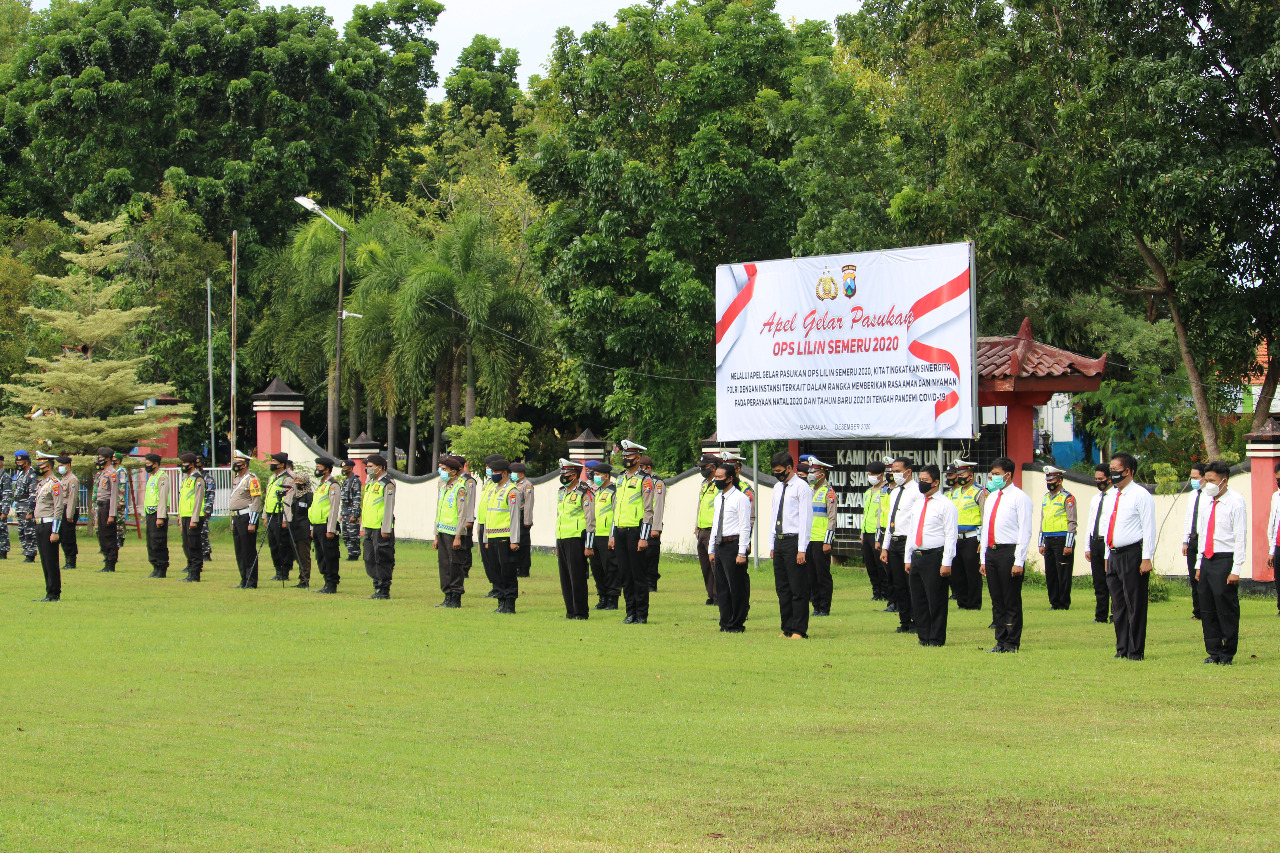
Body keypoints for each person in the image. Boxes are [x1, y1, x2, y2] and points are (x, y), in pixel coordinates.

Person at [1102, 452, 1157, 661]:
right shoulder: (1111, 495)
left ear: (1129, 471)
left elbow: (1149, 527)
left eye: (1116, 469)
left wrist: (1146, 557)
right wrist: (1108, 555)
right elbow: (1109, 526)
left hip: (1133, 554)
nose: (1113, 473)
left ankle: (1136, 650)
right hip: (1114, 554)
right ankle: (1121, 647)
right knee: (1117, 605)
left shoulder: (1140, 495)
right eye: (1111, 469)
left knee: (1135, 604)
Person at [979, 457, 1033, 653]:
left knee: (1010, 599)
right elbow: (986, 528)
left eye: (996, 474)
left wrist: (1019, 560)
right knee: (997, 600)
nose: (992, 477)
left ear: (1008, 475)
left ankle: (1012, 642)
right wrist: (983, 558)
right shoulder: (993, 497)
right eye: (991, 474)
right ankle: (1000, 640)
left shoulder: (1020, 498)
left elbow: (1024, 531)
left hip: (1009, 552)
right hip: (992, 551)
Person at [1194, 460, 1245, 665]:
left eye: (1211, 480)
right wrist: (1199, 564)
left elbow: (1240, 537)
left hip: (1225, 559)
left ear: (1223, 481)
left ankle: (1227, 652)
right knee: (1207, 607)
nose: (1207, 484)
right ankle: (1213, 651)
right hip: (1207, 559)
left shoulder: (1236, 501)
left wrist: (1236, 569)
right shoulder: (1206, 501)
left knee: (1226, 607)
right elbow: (1203, 532)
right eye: (1206, 480)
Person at [904, 464, 958, 646]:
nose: (922, 484)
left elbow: (950, 534)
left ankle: (936, 638)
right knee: (918, 599)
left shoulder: (946, 505)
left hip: (935, 556)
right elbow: (911, 531)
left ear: (935, 482)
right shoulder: (918, 504)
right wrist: (908, 557)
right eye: (920, 480)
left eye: (925, 481)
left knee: (936, 599)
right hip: (917, 555)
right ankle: (923, 636)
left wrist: (947, 562)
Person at [768, 451, 813, 639]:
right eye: (774, 472)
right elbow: (774, 515)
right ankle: (786, 627)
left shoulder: (801, 487)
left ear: (789, 468)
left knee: (798, 588)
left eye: (780, 471)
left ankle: (798, 629)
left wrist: (802, 548)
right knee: (783, 588)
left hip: (794, 540)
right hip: (779, 539)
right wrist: (772, 543)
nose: (778, 474)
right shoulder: (778, 488)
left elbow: (805, 519)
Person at [610, 440, 656, 624]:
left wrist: (643, 537)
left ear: (638, 458)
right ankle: (630, 612)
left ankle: (641, 614)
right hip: (620, 530)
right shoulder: (620, 479)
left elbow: (648, 511)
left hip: (635, 531)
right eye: (624, 456)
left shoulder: (645, 480)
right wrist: (612, 534)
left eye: (629, 456)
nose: (626, 459)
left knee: (638, 574)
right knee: (624, 574)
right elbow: (615, 508)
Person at [879, 456, 922, 634]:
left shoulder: (917, 490)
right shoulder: (895, 491)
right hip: (895, 540)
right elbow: (891, 520)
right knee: (898, 584)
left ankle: (916, 620)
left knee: (911, 583)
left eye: (897, 471)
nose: (894, 474)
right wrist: (885, 546)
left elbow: (917, 521)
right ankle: (904, 620)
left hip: (908, 542)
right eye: (893, 471)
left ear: (908, 471)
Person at [708, 462, 753, 632]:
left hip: (733, 545)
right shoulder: (718, 497)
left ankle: (737, 623)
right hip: (720, 545)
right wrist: (711, 549)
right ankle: (725, 621)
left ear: (730, 478)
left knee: (736, 586)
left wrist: (742, 552)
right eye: (716, 477)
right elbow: (716, 524)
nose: (716, 480)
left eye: (720, 477)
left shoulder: (741, 498)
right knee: (722, 587)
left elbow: (744, 526)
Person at [554, 459, 595, 619]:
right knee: (565, 578)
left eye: (567, 474)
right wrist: (556, 542)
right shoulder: (561, 492)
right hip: (562, 537)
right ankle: (570, 611)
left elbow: (590, 519)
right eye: (562, 473)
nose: (563, 476)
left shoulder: (585, 492)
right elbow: (559, 516)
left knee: (577, 577)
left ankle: (580, 612)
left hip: (577, 539)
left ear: (575, 474)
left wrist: (589, 545)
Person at [480, 458, 521, 613]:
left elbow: (514, 517)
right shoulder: (493, 490)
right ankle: (500, 601)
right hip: (492, 536)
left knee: (507, 571)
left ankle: (509, 603)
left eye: (496, 472)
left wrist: (514, 540)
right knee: (496, 571)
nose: (493, 475)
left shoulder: (512, 491)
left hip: (505, 537)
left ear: (504, 473)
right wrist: (486, 539)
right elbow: (488, 515)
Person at [946, 458, 986, 610]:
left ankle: (974, 603)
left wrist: (983, 540)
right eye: (959, 474)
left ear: (971, 475)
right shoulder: (956, 493)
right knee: (957, 572)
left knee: (972, 573)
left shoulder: (979, 492)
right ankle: (962, 602)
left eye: (963, 474)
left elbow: (984, 517)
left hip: (972, 537)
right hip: (956, 538)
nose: (960, 477)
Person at [433, 455, 470, 608]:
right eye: (441, 469)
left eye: (444, 469)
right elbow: (438, 511)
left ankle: (455, 596)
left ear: (453, 472)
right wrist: (435, 535)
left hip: (453, 533)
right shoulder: (443, 488)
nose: (441, 472)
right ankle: (447, 594)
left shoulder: (460, 489)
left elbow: (462, 514)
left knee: (454, 564)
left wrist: (458, 536)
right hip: (442, 531)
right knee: (444, 565)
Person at [1038, 465, 1077, 610]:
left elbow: (1072, 522)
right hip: (1048, 539)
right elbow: (1043, 520)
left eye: (1052, 479)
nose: (1049, 482)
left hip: (1062, 539)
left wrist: (1069, 544)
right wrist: (1041, 542)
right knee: (1051, 573)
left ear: (1059, 481)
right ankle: (1054, 602)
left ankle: (1063, 603)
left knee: (1063, 573)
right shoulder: (1046, 498)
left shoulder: (1067, 497)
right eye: (1047, 479)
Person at [804, 456, 838, 617]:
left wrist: (828, 541)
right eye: (809, 471)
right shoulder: (809, 491)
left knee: (822, 575)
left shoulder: (829, 492)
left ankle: (824, 607)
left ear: (822, 474)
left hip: (821, 539)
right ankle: (815, 605)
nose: (810, 474)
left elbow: (832, 518)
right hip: (809, 539)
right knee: (810, 575)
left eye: (814, 471)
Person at [1081, 464, 1114, 625]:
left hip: (1109, 543)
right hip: (1096, 542)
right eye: (1096, 479)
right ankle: (1100, 615)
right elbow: (1091, 522)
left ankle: (1115, 614)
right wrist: (1088, 546)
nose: (1098, 482)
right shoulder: (1096, 498)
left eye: (1101, 479)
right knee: (1099, 582)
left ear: (1109, 478)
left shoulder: (1115, 497)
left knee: (1113, 581)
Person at [585, 460, 620, 610]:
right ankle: (602, 596)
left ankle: (613, 598)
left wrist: (613, 536)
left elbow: (615, 516)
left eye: (598, 474)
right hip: (594, 534)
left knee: (610, 568)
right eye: (595, 474)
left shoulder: (614, 492)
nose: (595, 477)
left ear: (606, 476)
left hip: (607, 535)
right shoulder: (595, 491)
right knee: (596, 568)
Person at [361, 454, 397, 599]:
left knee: (381, 557)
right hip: (370, 525)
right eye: (367, 466)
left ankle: (383, 588)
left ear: (381, 467)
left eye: (370, 466)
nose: (367, 469)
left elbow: (389, 507)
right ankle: (376, 584)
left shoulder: (387, 484)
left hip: (381, 527)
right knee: (369, 557)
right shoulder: (371, 483)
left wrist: (386, 528)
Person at [227, 450, 263, 589]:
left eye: (238, 463)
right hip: (237, 517)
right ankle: (243, 578)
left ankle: (251, 580)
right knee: (239, 550)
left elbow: (256, 501)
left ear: (244, 465)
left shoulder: (252, 479)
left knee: (248, 550)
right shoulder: (236, 479)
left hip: (246, 517)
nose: (235, 465)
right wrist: (232, 521)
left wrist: (252, 522)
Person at [31, 454, 64, 601]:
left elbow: (58, 508)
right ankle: (49, 591)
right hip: (40, 524)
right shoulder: (43, 483)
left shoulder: (55, 483)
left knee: (51, 560)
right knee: (44, 560)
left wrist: (55, 531)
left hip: (49, 525)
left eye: (41, 466)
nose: (38, 469)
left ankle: (54, 593)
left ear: (48, 466)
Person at [691, 454, 721, 606]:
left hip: (712, 529)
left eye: (705, 467)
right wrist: (696, 524)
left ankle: (719, 596)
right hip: (702, 528)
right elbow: (701, 504)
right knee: (705, 566)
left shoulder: (719, 484)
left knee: (715, 564)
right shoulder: (704, 484)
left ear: (714, 467)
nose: (702, 470)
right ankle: (711, 594)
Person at [262, 453, 295, 581]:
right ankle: (277, 569)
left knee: (282, 543)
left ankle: (284, 571)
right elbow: (268, 497)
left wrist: (285, 519)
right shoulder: (272, 478)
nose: (271, 463)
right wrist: (265, 515)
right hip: (271, 513)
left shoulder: (287, 479)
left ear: (281, 464)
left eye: (274, 461)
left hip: (280, 514)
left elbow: (288, 499)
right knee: (273, 544)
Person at [861, 460, 890, 602]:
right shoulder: (868, 492)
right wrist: (862, 533)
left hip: (877, 533)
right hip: (866, 532)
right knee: (870, 565)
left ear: (881, 475)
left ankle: (885, 592)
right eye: (869, 474)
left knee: (880, 565)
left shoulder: (885, 491)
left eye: (873, 474)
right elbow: (865, 513)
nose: (870, 476)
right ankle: (876, 591)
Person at [1182, 462, 1207, 620]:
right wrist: (1185, 541)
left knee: (1204, 576)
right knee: (1193, 577)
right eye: (1191, 478)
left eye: (1195, 478)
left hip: (1204, 541)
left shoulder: (1210, 495)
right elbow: (1188, 519)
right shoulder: (1192, 495)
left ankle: (1207, 610)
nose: (1193, 481)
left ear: (1204, 477)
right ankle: (1197, 611)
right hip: (1192, 540)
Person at [638, 455, 666, 592]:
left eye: (641, 467)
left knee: (651, 556)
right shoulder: (640, 481)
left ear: (648, 468)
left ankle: (651, 583)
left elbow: (658, 506)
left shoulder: (657, 482)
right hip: (641, 523)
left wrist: (655, 527)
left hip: (652, 524)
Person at [141, 452, 171, 578]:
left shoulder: (162, 477)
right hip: (150, 513)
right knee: (151, 542)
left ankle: (161, 567)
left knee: (158, 541)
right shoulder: (151, 477)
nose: (146, 466)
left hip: (157, 514)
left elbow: (163, 498)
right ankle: (155, 566)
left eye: (148, 464)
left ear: (156, 464)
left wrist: (160, 516)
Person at [177, 451, 206, 582]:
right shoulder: (186, 479)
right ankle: (190, 570)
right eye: (182, 463)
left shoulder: (198, 479)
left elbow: (198, 500)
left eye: (185, 463)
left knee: (194, 545)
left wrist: (194, 519)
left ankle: (195, 573)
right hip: (185, 515)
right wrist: (179, 515)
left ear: (192, 464)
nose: (183, 466)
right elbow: (182, 498)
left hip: (194, 516)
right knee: (186, 545)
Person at [91, 447, 120, 572]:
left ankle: (111, 562)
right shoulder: (103, 473)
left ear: (108, 459)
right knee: (102, 535)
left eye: (101, 458)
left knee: (109, 535)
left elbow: (114, 495)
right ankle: (106, 559)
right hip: (101, 505)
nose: (99, 460)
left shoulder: (112, 473)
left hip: (108, 506)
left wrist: (112, 514)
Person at [510, 461, 535, 578]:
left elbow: (528, 504)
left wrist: (527, 520)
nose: (512, 474)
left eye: (514, 472)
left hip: (522, 515)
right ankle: (516, 566)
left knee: (523, 544)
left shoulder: (527, 485)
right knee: (515, 542)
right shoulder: (513, 484)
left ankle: (524, 569)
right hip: (514, 515)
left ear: (521, 473)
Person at [12, 449, 37, 562]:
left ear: (26, 462)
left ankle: (30, 554)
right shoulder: (21, 474)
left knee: (29, 532)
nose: (18, 465)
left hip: (27, 506)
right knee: (21, 532)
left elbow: (33, 494)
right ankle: (26, 550)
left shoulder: (31, 475)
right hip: (20, 506)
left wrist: (30, 511)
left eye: (20, 463)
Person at [456, 458, 478, 581]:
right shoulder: (455, 481)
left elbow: (470, 501)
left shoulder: (468, 481)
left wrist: (469, 519)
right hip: (457, 519)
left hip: (466, 519)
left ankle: (465, 569)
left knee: (465, 545)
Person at [56, 454, 79, 571]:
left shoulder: (72, 479)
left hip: (68, 510)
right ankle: (67, 560)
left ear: (68, 465)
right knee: (63, 536)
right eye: (59, 465)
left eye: (62, 465)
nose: (60, 468)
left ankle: (71, 561)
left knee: (68, 537)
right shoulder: (63, 479)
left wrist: (69, 514)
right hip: (62, 509)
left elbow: (72, 499)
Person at [339, 459, 363, 561]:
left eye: (346, 468)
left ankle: (355, 553)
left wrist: (354, 514)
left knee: (353, 534)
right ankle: (350, 552)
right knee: (346, 534)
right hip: (345, 510)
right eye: (343, 468)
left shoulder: (355, 481)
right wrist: (342, 513)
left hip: (352, 510)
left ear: (351, 468)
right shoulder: (345, 481)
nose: (344, 470)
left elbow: (356, 498)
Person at [1267, 461, 1280, 618]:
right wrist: (1271, 550)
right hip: (1278, 544)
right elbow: (1274, 523)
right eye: (1277, 479)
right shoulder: (1275, 497)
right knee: (1278, 578)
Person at [198, 455, 215, 561]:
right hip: (194, 509)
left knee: (203, 531)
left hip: (204, 509)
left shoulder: (207, 478)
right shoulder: (193, 478)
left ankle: (206, 553)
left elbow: (210, 495)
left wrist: (206, 510)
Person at [0, 453, 12, 559]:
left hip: (1, 508)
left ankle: (3, 552)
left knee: (2, 530)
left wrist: (4, 511)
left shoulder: (5, 477)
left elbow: (7, 494)